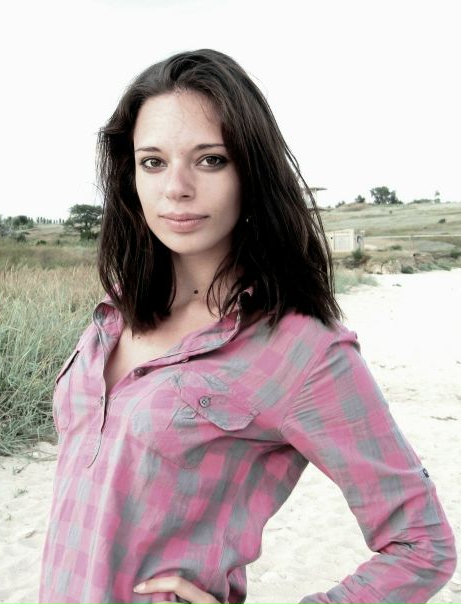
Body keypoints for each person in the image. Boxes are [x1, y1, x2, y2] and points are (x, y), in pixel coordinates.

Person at [39, 49, 456, 604]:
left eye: (211, 160)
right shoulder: (112, 314)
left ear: (250, 171)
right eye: (153, 162)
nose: (176, 187)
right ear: (129, 175)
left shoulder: (301, 348)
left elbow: (423, 545)